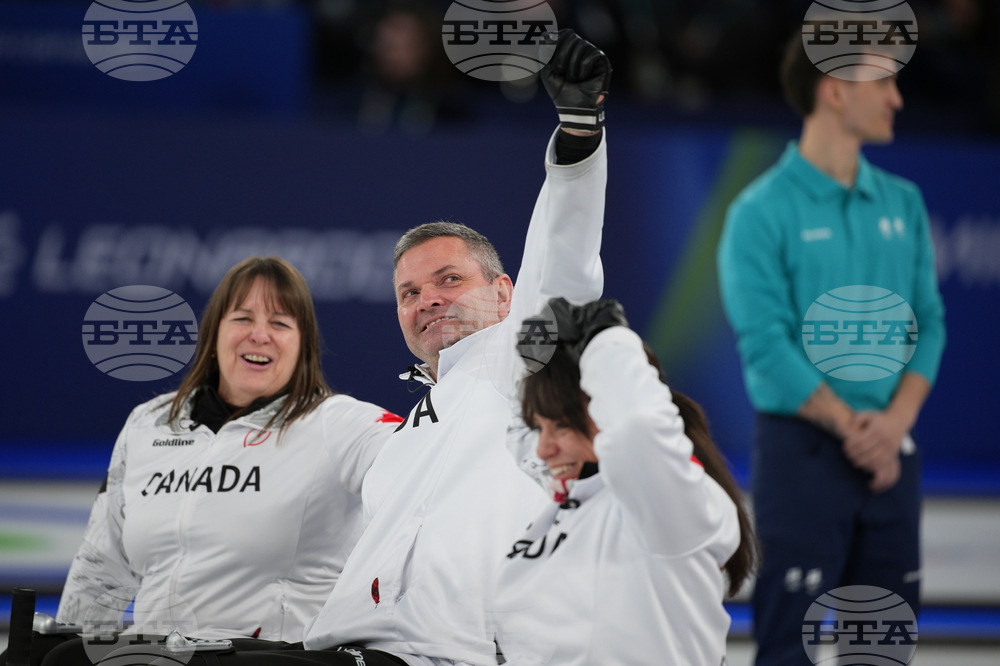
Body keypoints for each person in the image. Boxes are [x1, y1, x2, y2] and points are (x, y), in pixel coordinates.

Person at [120, 28, 611, 666]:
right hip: (346, 648)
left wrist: (578, 135)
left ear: (506, 293)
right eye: (408, 292)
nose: (428, 299)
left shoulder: (520, 362)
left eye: (449, 280)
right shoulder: (404, 443)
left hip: (451, 654)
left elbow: (563, 258)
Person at [25, 257, 401, 666]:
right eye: (242, 318)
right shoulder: (149, 423)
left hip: (268, 659)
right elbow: (101, 568)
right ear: (214, 333)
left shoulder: (338, 423)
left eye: (280, 323)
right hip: (155, 659)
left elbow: (427, 465)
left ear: (303, 344)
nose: (260, 335)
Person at [716, 35, 946, 664]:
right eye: (884, 82)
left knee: (883, 649)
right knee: (789, 647)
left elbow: (929, 322)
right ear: (835, 89)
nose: (898, 98)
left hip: (891, 454)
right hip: (804, 453)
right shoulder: (757, 211)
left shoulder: (904, 202)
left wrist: (894, 425)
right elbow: (766, 346)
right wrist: (858, 431)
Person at [492, 297, 758, 665]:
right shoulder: (566, 503)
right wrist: (546, 354)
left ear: (606, 411)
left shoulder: (668, 503)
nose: (543, 448)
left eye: (562, 426)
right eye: (539, 427)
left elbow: (639, 427)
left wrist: (606, 338)